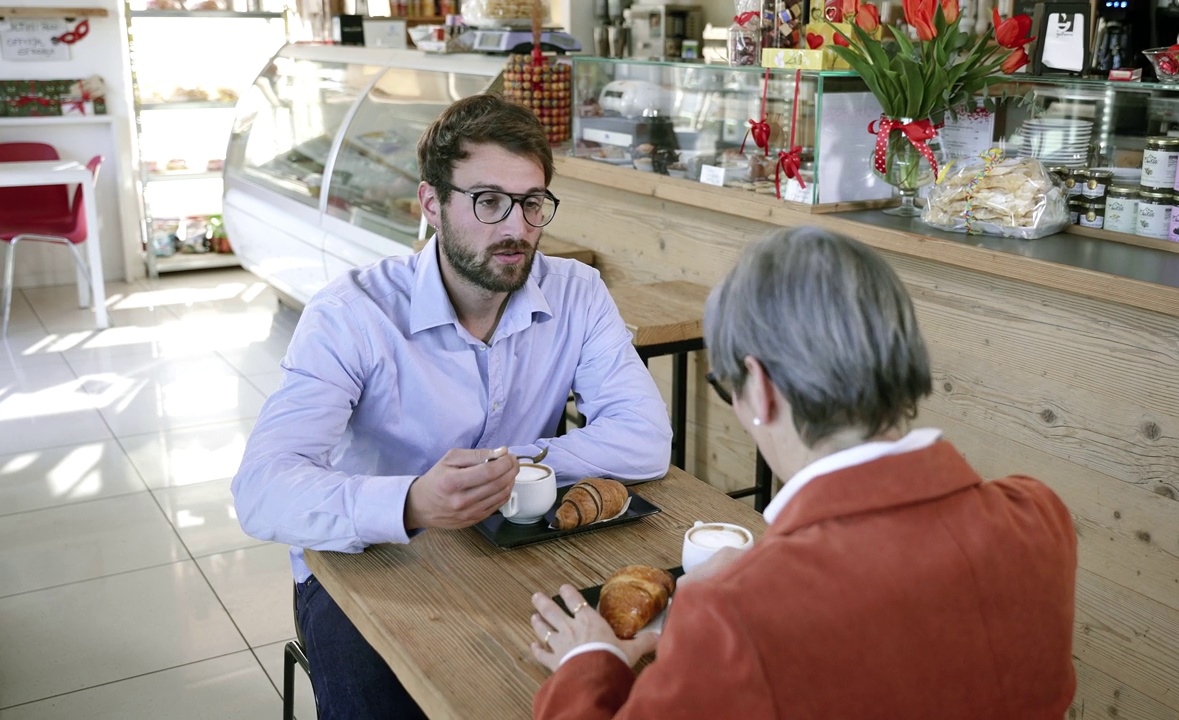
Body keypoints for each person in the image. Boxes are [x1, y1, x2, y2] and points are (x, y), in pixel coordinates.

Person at [232, 94, 672, 720]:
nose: (516, 228)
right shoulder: (352, 314)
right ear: (432, 204)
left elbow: (647, 439)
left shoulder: (577, 291)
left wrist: (500, 467)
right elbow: (261, 489)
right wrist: (413, 499)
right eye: (488, 201)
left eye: (531, 203)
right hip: (367, 565)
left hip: (520, 545)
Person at [528, 226, 1078, 719]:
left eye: (727, 389)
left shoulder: (735, 618)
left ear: (761, 388)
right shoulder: (1040, 517)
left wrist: (589, 663)